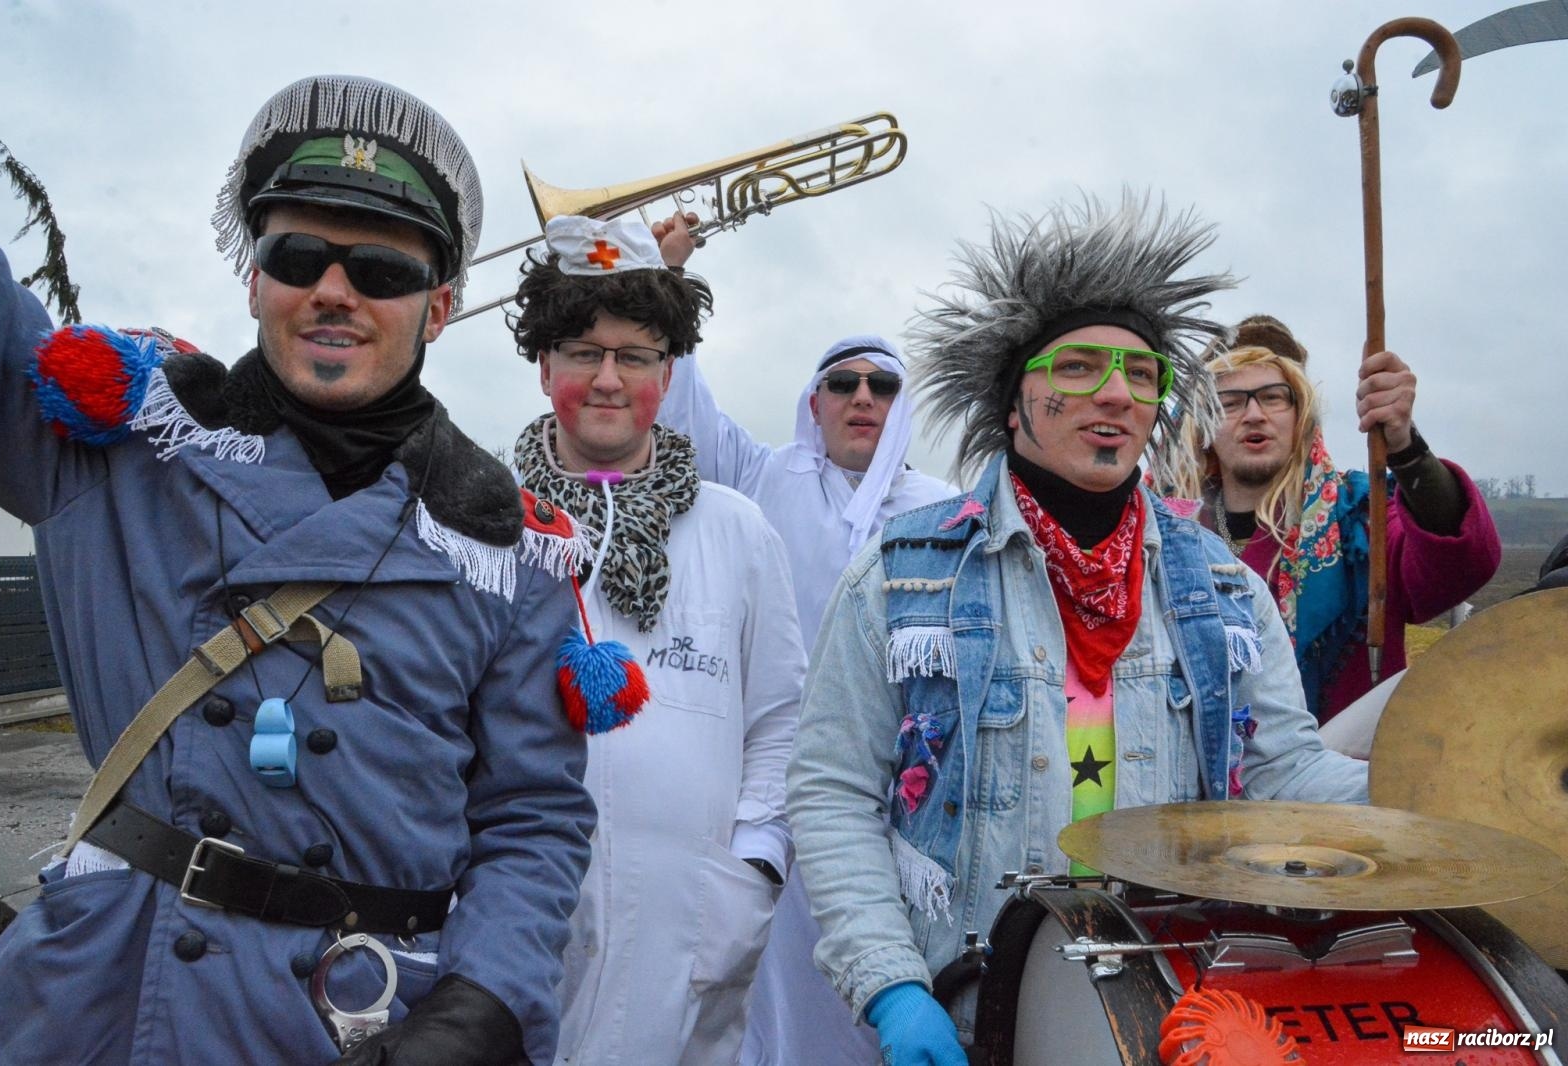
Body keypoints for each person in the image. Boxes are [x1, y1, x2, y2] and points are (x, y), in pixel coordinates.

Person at [0, 76, 596, 1065]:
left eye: (381, 270)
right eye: (297, 255)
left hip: (349, 1021)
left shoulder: (502, 550)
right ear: (254, 277)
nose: (333, 291)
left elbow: (534, 815)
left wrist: (487, 1001)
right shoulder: (116, 446)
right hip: (107, 1000)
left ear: (437, 306)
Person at [785, 195, 1370, 1064]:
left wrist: (1456, 790)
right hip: (970, 1007)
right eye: (1080, 367)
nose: (1116, 395)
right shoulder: (903, 577)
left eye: (1141, 376)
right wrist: (891, 986)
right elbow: (834, 793)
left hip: (1180, 1010)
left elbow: (1285, 773)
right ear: (1015, 402)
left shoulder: (1223, 590)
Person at [653, 219, 956, 1066]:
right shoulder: (763, 475)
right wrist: (667, 282)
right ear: (814, 402)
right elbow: (683, 409)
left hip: (908, 784)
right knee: (777, 979)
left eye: (882, 385)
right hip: (783, 777)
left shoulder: (946, 507)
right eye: (842, 383)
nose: (862, 398)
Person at [507, 214, 805, 1066]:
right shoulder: (483, 522)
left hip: (694, 921)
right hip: (518, 912)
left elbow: (782, 720)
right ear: (544, 368)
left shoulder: (737, 529)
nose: (607, 379)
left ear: (667, 376)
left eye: (634, 357)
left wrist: (755, 867)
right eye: (583, 353)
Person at [1188, 314, 1500, 721]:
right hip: (1207, 780)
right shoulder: (1173, 534)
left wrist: (1404, 448)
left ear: (1302, 418)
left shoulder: (1361, 512)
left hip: (1346, 774)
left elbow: (1461, 565)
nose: (1253, 414)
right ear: (1205, 425)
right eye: (1230, 402)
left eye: (1273, 397)